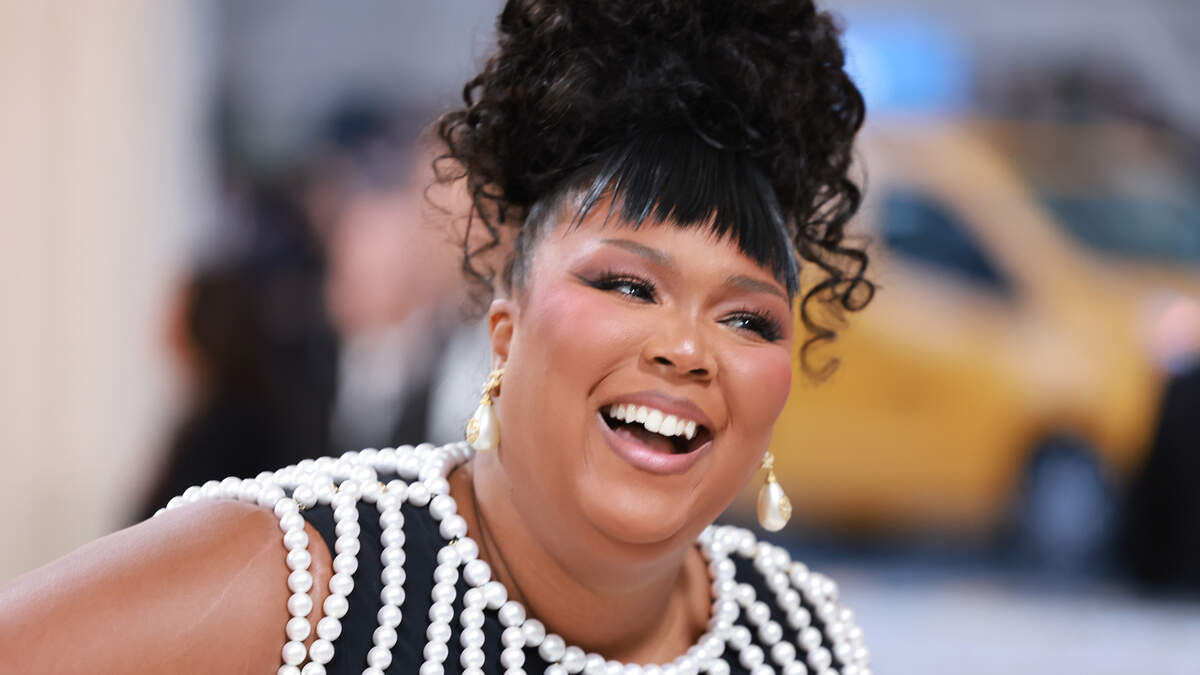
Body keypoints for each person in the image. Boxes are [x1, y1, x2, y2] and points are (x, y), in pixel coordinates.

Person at [0, 1, 877, 674]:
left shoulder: (797, 634)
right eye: (627, 284)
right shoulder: (307, 577)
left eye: (747, 318)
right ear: (506, 325)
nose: (686, 348)